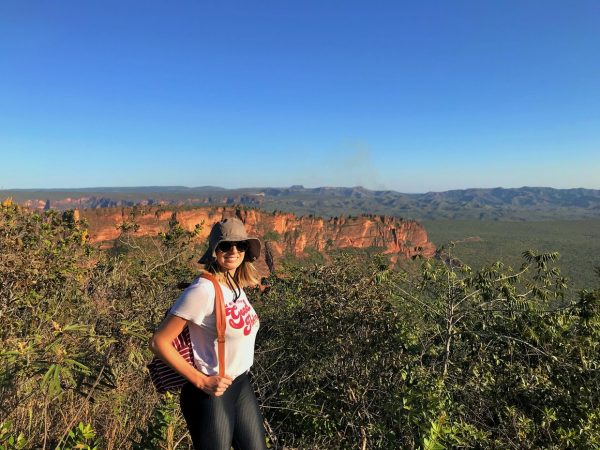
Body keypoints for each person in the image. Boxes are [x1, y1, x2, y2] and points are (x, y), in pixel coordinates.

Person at [150, 217, 267, 450]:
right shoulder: (203, 291)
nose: (233, 251)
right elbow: (158, 342)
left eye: (240, 245)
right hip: (210, 393)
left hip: (240, 383)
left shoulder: (235, 283)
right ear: (214, 250)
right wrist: (201, 381)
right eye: (225, 245)